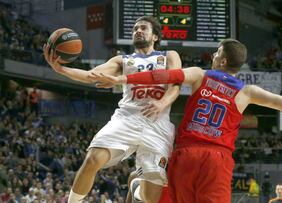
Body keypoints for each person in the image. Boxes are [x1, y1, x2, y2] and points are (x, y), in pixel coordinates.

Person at [88, 38, 282, 203]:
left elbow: (162, 75)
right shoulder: (247, 92)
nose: (212, 54)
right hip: (217, 158)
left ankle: (137, 188)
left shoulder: (200, 75)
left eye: (216, 52)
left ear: (222, 60)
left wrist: (122, 79)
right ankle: (138, 187)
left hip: (188, 153)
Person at [43, 16, 182, 203]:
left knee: (151, 198)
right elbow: (92, 76)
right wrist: (61, 69)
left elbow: (175, 85)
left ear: (155, 36)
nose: (138, 31)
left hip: (157, 124)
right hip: (127, 119)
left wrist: (163, 103)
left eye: (143, 28)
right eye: (135, 29)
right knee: (92, 159)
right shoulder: (122, 60)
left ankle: (135, 185)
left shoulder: (169, 56)